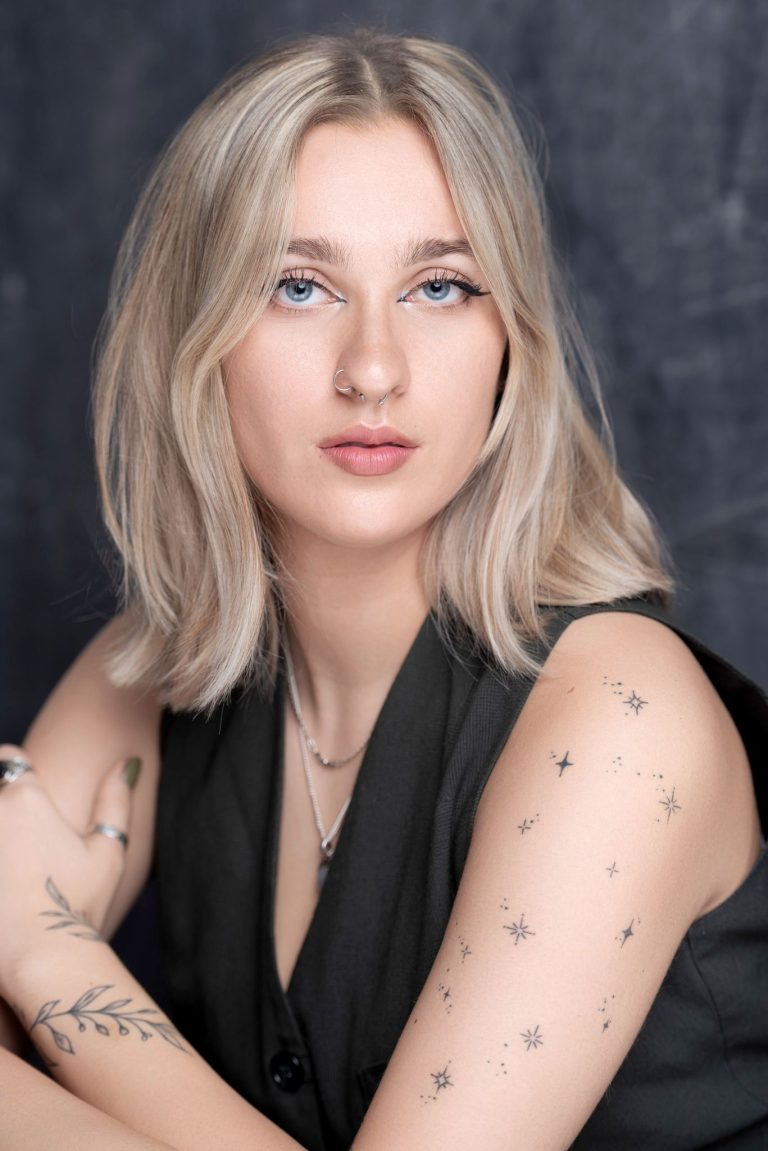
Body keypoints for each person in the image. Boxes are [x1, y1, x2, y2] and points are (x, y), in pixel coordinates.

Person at [0, 26, 766, 1151]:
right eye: (299, 285)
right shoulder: (154, 665)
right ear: (194, 336)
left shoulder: (621, 721)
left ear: (513, 338)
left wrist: (42, 950)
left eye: (441, 285)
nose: (374, 367)